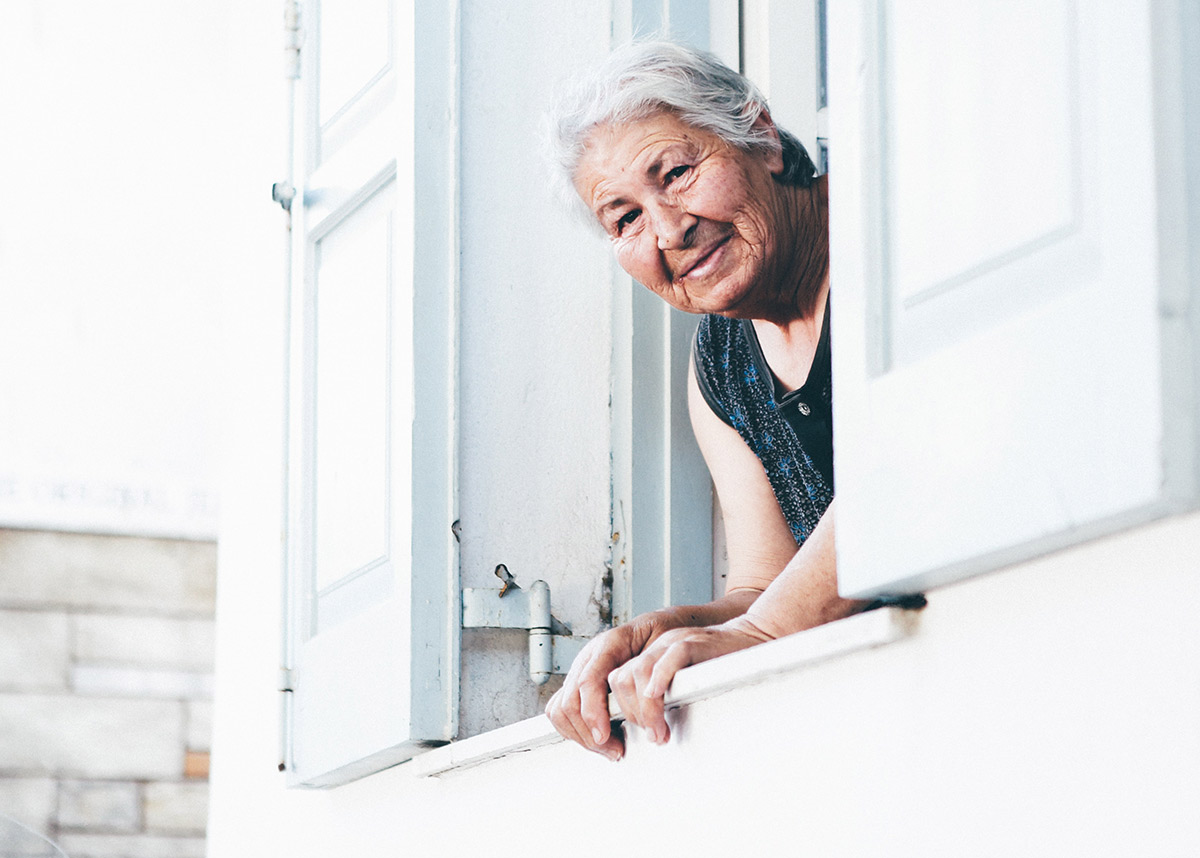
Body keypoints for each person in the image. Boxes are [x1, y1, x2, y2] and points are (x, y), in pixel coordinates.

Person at [544, 41, 867, 762]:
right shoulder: (722, 367)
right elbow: (763, 586)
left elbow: (918, 451)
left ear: (760, 137)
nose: (667, 230)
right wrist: (649, 637)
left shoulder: (886, 237)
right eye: (624, 217)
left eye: (678, 172)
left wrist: (760, 635)